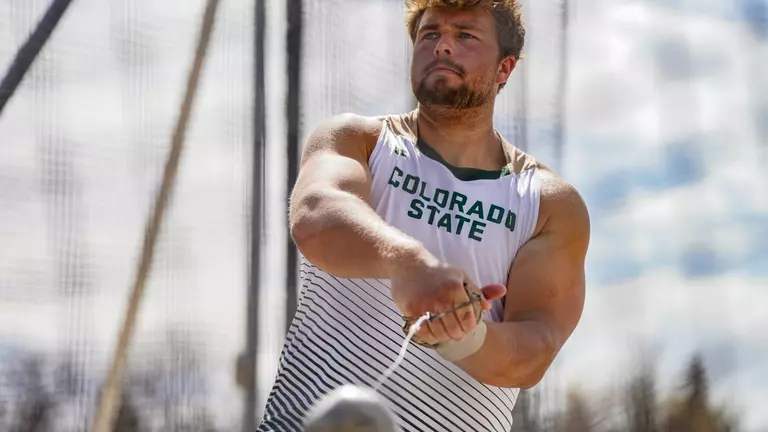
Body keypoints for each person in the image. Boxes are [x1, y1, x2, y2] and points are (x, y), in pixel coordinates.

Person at [258, 0, 590, 430]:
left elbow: (535, 351)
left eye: (465, 36)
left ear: (504, 68)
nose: (442, 47)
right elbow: (316, 216)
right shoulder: (358, 139)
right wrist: (407, 261)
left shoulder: (547, 202)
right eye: (430, 35)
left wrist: (466, 333)